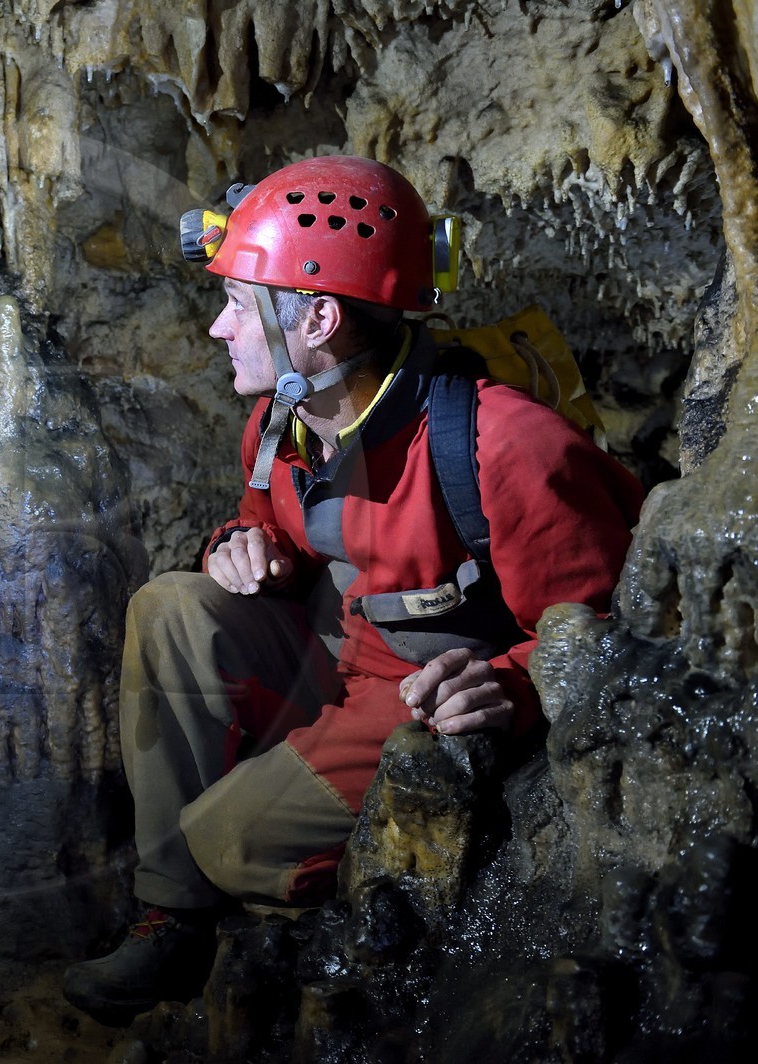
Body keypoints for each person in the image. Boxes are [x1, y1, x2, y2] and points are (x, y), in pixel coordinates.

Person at [63, 156, 645, 1020]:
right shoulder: (280, 421)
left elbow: (603, 630)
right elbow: (269, 518)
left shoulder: (507, 448)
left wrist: (514, 686)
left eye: (235, 306)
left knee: (229, 838)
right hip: (332, 650)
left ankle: (265, 885)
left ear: (320, 318)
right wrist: (241, 544)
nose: (219, 331)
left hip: (415, 690)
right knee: (169, 605)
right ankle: (172, 917)